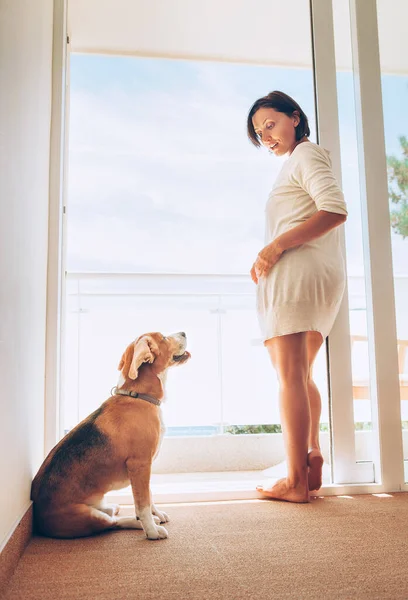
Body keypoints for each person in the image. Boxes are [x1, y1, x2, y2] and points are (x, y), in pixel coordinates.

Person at [247, 91, 348, 503]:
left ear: (295, 117)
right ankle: (310, 453)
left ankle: (294, 482)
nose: (266, 136)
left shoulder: (306, 155)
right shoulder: (299, 161)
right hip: (319, 276)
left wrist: (274, 247)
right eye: (259, 133)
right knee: (301, 375)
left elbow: (334, 209)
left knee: (288, 377)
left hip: (296, 275)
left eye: (270, 125)